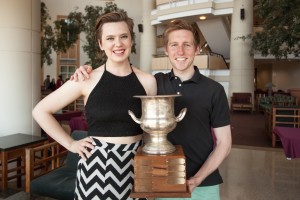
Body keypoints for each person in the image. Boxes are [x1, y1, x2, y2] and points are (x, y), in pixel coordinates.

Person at [71, 19, 232, 200]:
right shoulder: (154, 83)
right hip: (161, 178)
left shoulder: (214, 90)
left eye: (187, 45)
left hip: (204, 183)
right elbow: (120, 79)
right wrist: (87, 70)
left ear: (197, 49)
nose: (180, 51)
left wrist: (197, 178)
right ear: (166, 51)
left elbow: (224, 144)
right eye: (174, 45)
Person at [33, 11, 156, 200]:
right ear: (100, 44)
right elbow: (40, 111)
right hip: (97, 168)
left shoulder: (148, 81)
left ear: (132, 40)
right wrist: (71, 143)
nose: (118, 44)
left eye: (124, 36)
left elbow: (149, 131)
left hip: (137, 166)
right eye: (110, 38)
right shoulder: (86, 79)